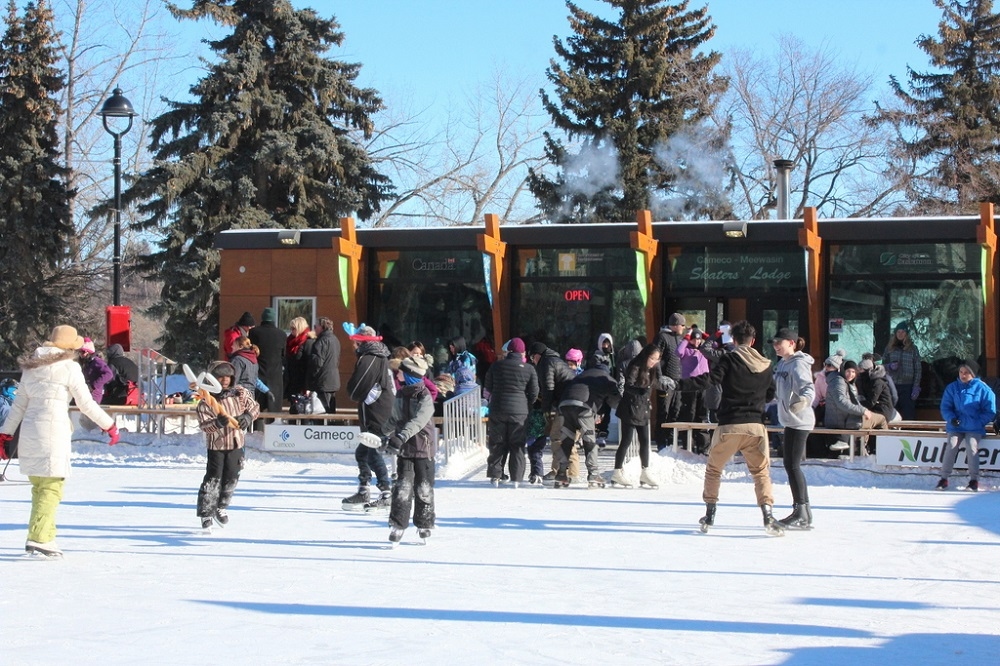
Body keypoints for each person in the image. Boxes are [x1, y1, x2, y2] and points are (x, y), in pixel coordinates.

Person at [0, 325, 120, 558]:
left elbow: (18, 406)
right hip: (52, 435)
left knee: (40, 487)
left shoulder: (32, 368)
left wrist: (5, 434)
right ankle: (41, 539)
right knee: (51, 488)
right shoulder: (70, 368)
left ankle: (43, 534)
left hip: (30, 434)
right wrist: (109, 425)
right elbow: (86, 404)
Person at [680, 320, 783, 536]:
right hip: (755, 427)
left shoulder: (729, 359)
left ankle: (709, 514)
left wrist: (679, 384)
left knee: (714, 469)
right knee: (761, 472)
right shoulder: (766, 364)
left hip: (730, 425)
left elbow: (709, 380)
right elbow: (771, 394)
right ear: (753, 341)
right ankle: (767, 514)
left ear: (733, 340)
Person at [194, 361, 260, 530]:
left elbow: (255, 407)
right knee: (213, 478)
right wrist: (217, 423)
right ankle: (206, 512)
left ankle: (221, 506)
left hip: (236, 443)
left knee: (231, 477)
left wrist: (248, 416)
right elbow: (204, 426)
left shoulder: (240, 393)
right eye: (220, 377)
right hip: (217, 446)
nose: (224, 380)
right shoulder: (206, 401)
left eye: (228, 377)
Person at [343, 325, 395, 511]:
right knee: (362, 453)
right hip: (375, 413)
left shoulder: (370, 358)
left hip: (378, 415)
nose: (355, 345)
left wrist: (355, 393)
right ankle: (364, 489)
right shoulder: (376, 356)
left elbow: (356, 388)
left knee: (373, 453)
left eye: (357, 341)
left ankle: (386, 492)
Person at [385, 356, 436, 546]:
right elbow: (394, 418)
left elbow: (417, 422)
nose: (397, 374)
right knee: (402, 488)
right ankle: (397, 525)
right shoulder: (401, 394)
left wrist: (400, 437)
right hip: (405, 448)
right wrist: (381, 432)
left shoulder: (425, 397)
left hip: (424, 448)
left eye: (401, 371)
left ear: (410, 375)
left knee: (423, 487)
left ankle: (424, 524)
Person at [610, 343, 674, 488]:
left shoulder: (652, 369)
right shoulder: (635, 366)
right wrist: (642, 391)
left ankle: (645, 472)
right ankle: (617, 472)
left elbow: (654, 383)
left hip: (643, 409)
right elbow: (628, 386)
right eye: (653, 359)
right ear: (646, 356)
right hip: (630, 408)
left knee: (645, 441)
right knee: (626, 440)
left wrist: (666, 385)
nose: (654, 362)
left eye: (657, 359)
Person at [771, 328, 816, 529]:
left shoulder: (798, 364)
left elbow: (808, 388)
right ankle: (803, 512)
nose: (775, 346)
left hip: (800, 420)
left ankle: (801, 512)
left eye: (779, 343)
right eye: (774, 343)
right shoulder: (782, 363)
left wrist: (804, 401)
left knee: (793, 465)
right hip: (789, 420)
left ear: (791, 342)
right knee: (790, 465)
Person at [554, 354, 620, 488]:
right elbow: (615, 402)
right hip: (583, 408)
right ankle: (593, 474)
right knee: (589, 441)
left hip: (564, 406)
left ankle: (561, 474)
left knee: (567, 441)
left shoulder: (584, 374)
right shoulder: (606, 378)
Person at [483, 337, 539, 487]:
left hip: (497, 409)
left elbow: (488, 387)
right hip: (520, 412)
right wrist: (526, 404)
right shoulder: (529, 369)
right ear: (522, 352)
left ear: (509, 351)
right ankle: (516, 478)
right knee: (517, 444)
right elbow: (534, 392)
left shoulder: (496, 366)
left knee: (497, 443)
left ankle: (495, 475)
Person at [937, 360, 995, 492]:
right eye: (961, 372)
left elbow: (990, 411)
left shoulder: (983, 389)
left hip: (974, 427)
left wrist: (978, 422)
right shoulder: (952, 388)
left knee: (971, 446)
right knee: (951, 445)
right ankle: (944, 478)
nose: (963, 375)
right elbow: (945, 407)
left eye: (966, 373)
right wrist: (952, 419)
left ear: (973, 374)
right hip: (956, 426)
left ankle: (974, 480)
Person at [530, 341, 579, 482]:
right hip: (574, 402)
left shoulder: (546, 363)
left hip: (568, 404)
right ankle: (570, 472)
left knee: (557, 436)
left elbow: (548, 388)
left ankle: (561, 472)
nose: (533, 362)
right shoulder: (555, 360)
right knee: (567, 437)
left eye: (533, 358)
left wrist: (546, 410)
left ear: (537, 355)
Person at [824, 359, 888, 453]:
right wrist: (863, 410)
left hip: (846, 419)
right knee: (881, 419)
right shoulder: (838, 382)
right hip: (846, 421)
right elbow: (842, 402)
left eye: (853, 371)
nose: (851, 374)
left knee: (868, 424)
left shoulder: (845, 382)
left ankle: (864, 449)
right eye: (848, 371)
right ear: (842, 370)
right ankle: (885, 451)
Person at [653, 313, 685, 450]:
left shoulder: (681, 338)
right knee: (663, 411)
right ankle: (661, 441)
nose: (684, 328)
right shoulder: (662, 337)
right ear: (676, 325)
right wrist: (660, 377)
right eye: (682, 325)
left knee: (676, 410)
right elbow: (655, 358)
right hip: (666, 381)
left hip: (678, 381)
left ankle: (672, 440)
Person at [249, 307, 286, 418]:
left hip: (259, 373)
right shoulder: (282, 334)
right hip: (275, 376)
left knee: (256, 408)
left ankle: (255, 432)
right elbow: (284, 355)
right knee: (274, 411)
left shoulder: (254, 332)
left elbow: (251, 351)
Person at [883, 321, 922, 420]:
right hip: (892, 385)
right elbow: (881, 366)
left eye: (903, 332)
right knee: (893, 414)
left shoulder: (913, 349)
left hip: (908, 386)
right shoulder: (889, 349)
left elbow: (918, 368)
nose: (900, 334)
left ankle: (909, 433)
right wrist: (889, 366)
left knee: (908, 414)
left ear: (906, 334)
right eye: (898, 332)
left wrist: (916, 385)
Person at [308, 316, 341, 413]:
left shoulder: (321, 341)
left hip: (323, 381)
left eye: (315, 326)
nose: (314, 329)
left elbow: (317, 363)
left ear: (322, 327)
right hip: (332, 380)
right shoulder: (335, 339)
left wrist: (311, 380)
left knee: (322, 412)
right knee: (331, 412)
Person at [79, 338, 114, 404]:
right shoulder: (87, 363)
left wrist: (94, 386)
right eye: (80, 352)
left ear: (88, 352)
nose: (81, 354)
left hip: (94, 396)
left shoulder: (96, 361)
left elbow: (109, 374)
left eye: (83, 352)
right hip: (86, 394)